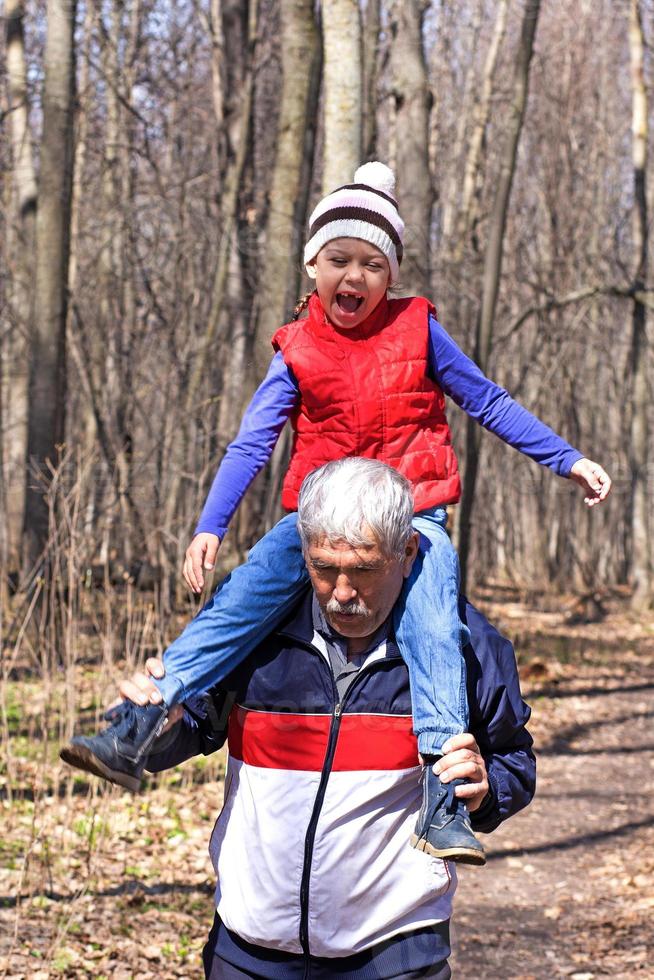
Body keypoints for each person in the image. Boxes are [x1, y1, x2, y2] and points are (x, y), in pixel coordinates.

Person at [61, 162, 607, 865]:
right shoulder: (299, 348)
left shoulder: (420, 330)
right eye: (340, 259)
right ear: (313, 265)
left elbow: (488, 400)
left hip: (412, 516)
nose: (355, 276)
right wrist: (210, 524)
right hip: (319, 517)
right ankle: (137, 722)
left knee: (436, 629)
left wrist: (567, 459)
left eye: (372, 264)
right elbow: (254, 437)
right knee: (240, 599)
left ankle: (443, 802)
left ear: (391, 273)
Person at [119, 459, 536, 979]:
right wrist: (161, 724)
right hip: (247, 949)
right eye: (323, 567)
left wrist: (484, 790)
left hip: (395, 955)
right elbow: (195, 727)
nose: (342, 592)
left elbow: (514, 761)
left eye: (363, 569)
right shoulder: (253, 633)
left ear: (406, 553)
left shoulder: (464, 646)